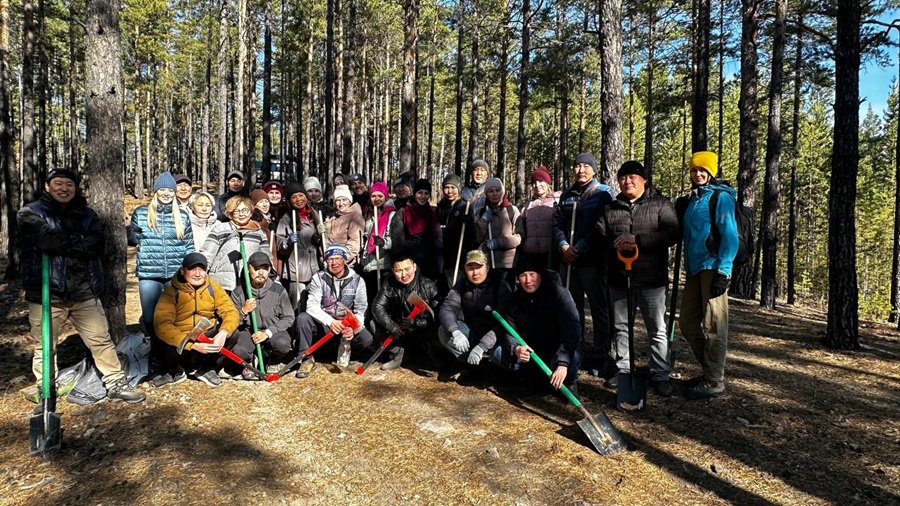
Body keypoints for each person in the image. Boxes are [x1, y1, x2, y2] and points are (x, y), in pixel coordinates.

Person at [18, 169, 144, 403]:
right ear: (47, 186)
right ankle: (46, 387)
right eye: (58, 183)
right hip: (46, 293)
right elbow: (45, 240)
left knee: (100, 340)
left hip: (84, 291)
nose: (64, 188)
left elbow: (94, 244)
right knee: (45, 345)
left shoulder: (87, 215)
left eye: (69, 184)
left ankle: (115, 381)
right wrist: (75, 240)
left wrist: (61, 241)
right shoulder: (29, 213)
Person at [596, 161, 679, 396]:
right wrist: (616, 243)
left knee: (657, 328)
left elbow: (672, 233)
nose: (628, 181)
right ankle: (624, 371)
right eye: (623, 178)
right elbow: (599, 234)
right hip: (619, 278)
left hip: (652, 278)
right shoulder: (611, 208)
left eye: (633, 177)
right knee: (622, 327)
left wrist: (637, 240)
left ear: (644, 180)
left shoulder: (660, 204)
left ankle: (661, 373)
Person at [678, 151, 738, 399]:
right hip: (694, 269)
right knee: (687, 322)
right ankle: (710, 370)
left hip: (713, 268)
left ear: (711, 172)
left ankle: (715, 381)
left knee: (714, 325)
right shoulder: (694, 199)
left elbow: (730, 237)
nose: (698, 174)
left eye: (703, 170)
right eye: (694, 170)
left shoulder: (720, 198)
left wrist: (724, 271)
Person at [553, 152, 615, 376]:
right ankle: (574, 349)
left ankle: (600, 354)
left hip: (592, 260)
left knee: (599, 309)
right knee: (572, 307)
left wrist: (579, 247)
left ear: (594, 170)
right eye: (577, 166)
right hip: (568, 260)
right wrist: (563, 245)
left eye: (586, 166)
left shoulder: (603, 194)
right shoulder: (567, 195)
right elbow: (558, 222)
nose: (581, 170)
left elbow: (602, 227)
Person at [127, 171, 195, 374]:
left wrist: (190, 270)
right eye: (162, 190)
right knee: (149, 318)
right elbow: (133, 241)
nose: (166, 193)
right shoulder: (141, 213)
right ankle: (155, 355)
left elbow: (189, 244)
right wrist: (127, 228)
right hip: (149, 274)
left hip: (175, 275)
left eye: (169, 190)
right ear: (156, 192)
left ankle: (174, 356)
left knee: (175, 318)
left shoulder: (182, 215)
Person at [494, 256, 581, 394]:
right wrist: (516, 348)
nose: (528, 280)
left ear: (541, 275)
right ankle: (531, 379)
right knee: (498, 353)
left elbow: (572, 329)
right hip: (532, 352)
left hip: (557, 351)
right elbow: (509, 331)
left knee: (573, 356)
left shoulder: (559, 294)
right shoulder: (514, 300)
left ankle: (569, 382)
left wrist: (563, 364)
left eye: (532, 274)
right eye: (523, 275)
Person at [153, 252, 241, 388]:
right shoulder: (171, 292)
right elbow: (163, 325)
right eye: (192, 269)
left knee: (233, 334)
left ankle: (206, 369)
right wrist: (191, 345)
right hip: (182, 344)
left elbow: (230, 311)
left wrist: (223, 332)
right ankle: (177, 370)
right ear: (182, 271)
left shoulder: (213, 287)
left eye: (202, 269)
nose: (198, 274)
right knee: (162, 336)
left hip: (205, 337)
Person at [293, 245, 374, 378]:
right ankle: (306, 358)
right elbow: (312, 306)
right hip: (326, 324)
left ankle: (348, 354)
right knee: (303, 318)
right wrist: (330, 322)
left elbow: (361, 309)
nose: (334, 263)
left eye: (337, 258)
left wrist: (352, 328)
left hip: (346, 325)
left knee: (366, 339)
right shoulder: (318, 278)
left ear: (344, 260)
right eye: (330, 259)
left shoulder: (358, 280)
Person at [438, 250, 512, 372]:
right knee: (443, 331)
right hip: (473, 332)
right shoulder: (462, 285)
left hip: (496, 337)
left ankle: (497, 371)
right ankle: (473, 367)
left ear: (487, 268)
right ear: (465, 270)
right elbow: (448, 307)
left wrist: (482, 346)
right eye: (470, 268)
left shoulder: (500, 285)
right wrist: (455, 332)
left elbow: (505, 322)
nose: (475, 272)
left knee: (499, 354)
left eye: (479, 267)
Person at [229, 252, 296, 377]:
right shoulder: (239, 292)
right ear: (249, 269)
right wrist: (243, 311)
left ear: (269, 270)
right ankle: (249, 362)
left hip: (273, 331)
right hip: (249, 332)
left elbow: (289, 317)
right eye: (256, 269)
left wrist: (268, 332)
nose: (261, 273)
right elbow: (230, 321)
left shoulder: (279, 290)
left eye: (264, 269)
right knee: (239, 350)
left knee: (283, 344)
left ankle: (273, 359)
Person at [370, 252, 440, 371]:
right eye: (398, 270)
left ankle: (431, 354)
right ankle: (399, 354)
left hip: (421, 330)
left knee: (438, 335)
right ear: (392, 270)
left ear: (414, 267)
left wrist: (416, 323)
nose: (404, 275)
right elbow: (377, 306)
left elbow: (437, 317)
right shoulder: (389, 282)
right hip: (399, 329)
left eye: (407, 269)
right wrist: (391, 325)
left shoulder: (428, 286)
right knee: (373, 323)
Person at [200, 196, 272, 292]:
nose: (241, 214)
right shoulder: (220, 229)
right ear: (230, 214)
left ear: (251, 213)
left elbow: (266, 257)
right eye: (237, 211)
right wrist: (201, 272)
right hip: (222, 283)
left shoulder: (258, 233)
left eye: (245, 210)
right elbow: (207, 254)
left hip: (248, 284)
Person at [276, 182, 321, 304]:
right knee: (297, 304)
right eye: (294, 197)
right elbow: (280, 245)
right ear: (289, 200)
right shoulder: (286, 219)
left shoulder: (314, 215)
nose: (298, 200)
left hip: (314, 266)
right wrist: (288, 243)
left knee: (313, 302)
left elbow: (318, 242)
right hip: (296, 268)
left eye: (301, 195)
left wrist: (319, 236)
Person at [358, 181, 398, 304]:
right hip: (367, 264)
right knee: (369, 298)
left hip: (382, 264)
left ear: (385, 196)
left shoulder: (392, 214)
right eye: (373, 196)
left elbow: (395, 240)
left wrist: (383, 242)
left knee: (381, 300)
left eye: (380, 196)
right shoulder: (368, 215)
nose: (376, 199)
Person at [394, 178, 443, 280]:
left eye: (426, 193)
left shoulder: (432, 214)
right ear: (414, 193)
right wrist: (401, 261)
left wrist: (438, 265)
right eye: (420, 193)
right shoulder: (403, 212)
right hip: (408, 259)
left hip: (428, 260)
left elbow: (438, 240)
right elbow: (397, 241)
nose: (423, 196)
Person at [473, 178, 521, 275]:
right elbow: (477, 239)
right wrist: (483, 221)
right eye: (490, 191)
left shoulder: (512, 210)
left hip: (507, 263)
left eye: (497, 190)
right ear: (486, 194)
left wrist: (499, 243)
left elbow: (519, 237)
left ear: (502, 192)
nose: (494, 194)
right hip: (487, 262)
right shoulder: (481, 212)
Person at [516, 166, 559, 268]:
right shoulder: (528, 204)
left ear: (547, 183)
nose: (537, 185)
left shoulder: (557, 200)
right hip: (531, 254)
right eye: (534, 182)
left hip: (551, 254)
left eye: (540, 181)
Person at [437, 173, 470, 290]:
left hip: (457, 257)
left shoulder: (464, 207)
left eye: (453, 188)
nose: (449, 191)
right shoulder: (440, 207)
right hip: (441, 256)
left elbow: (471, 235)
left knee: (454, 287)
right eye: (446, 187)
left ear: (458, 189)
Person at [323, 184, 365, 266]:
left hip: (346, 264)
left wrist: (339, 261)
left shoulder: (355, 217)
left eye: (344, 200)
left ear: (350, 201)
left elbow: (355, 244)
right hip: (329, 262)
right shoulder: (332, 217)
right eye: (338, 200)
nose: (341, 203)